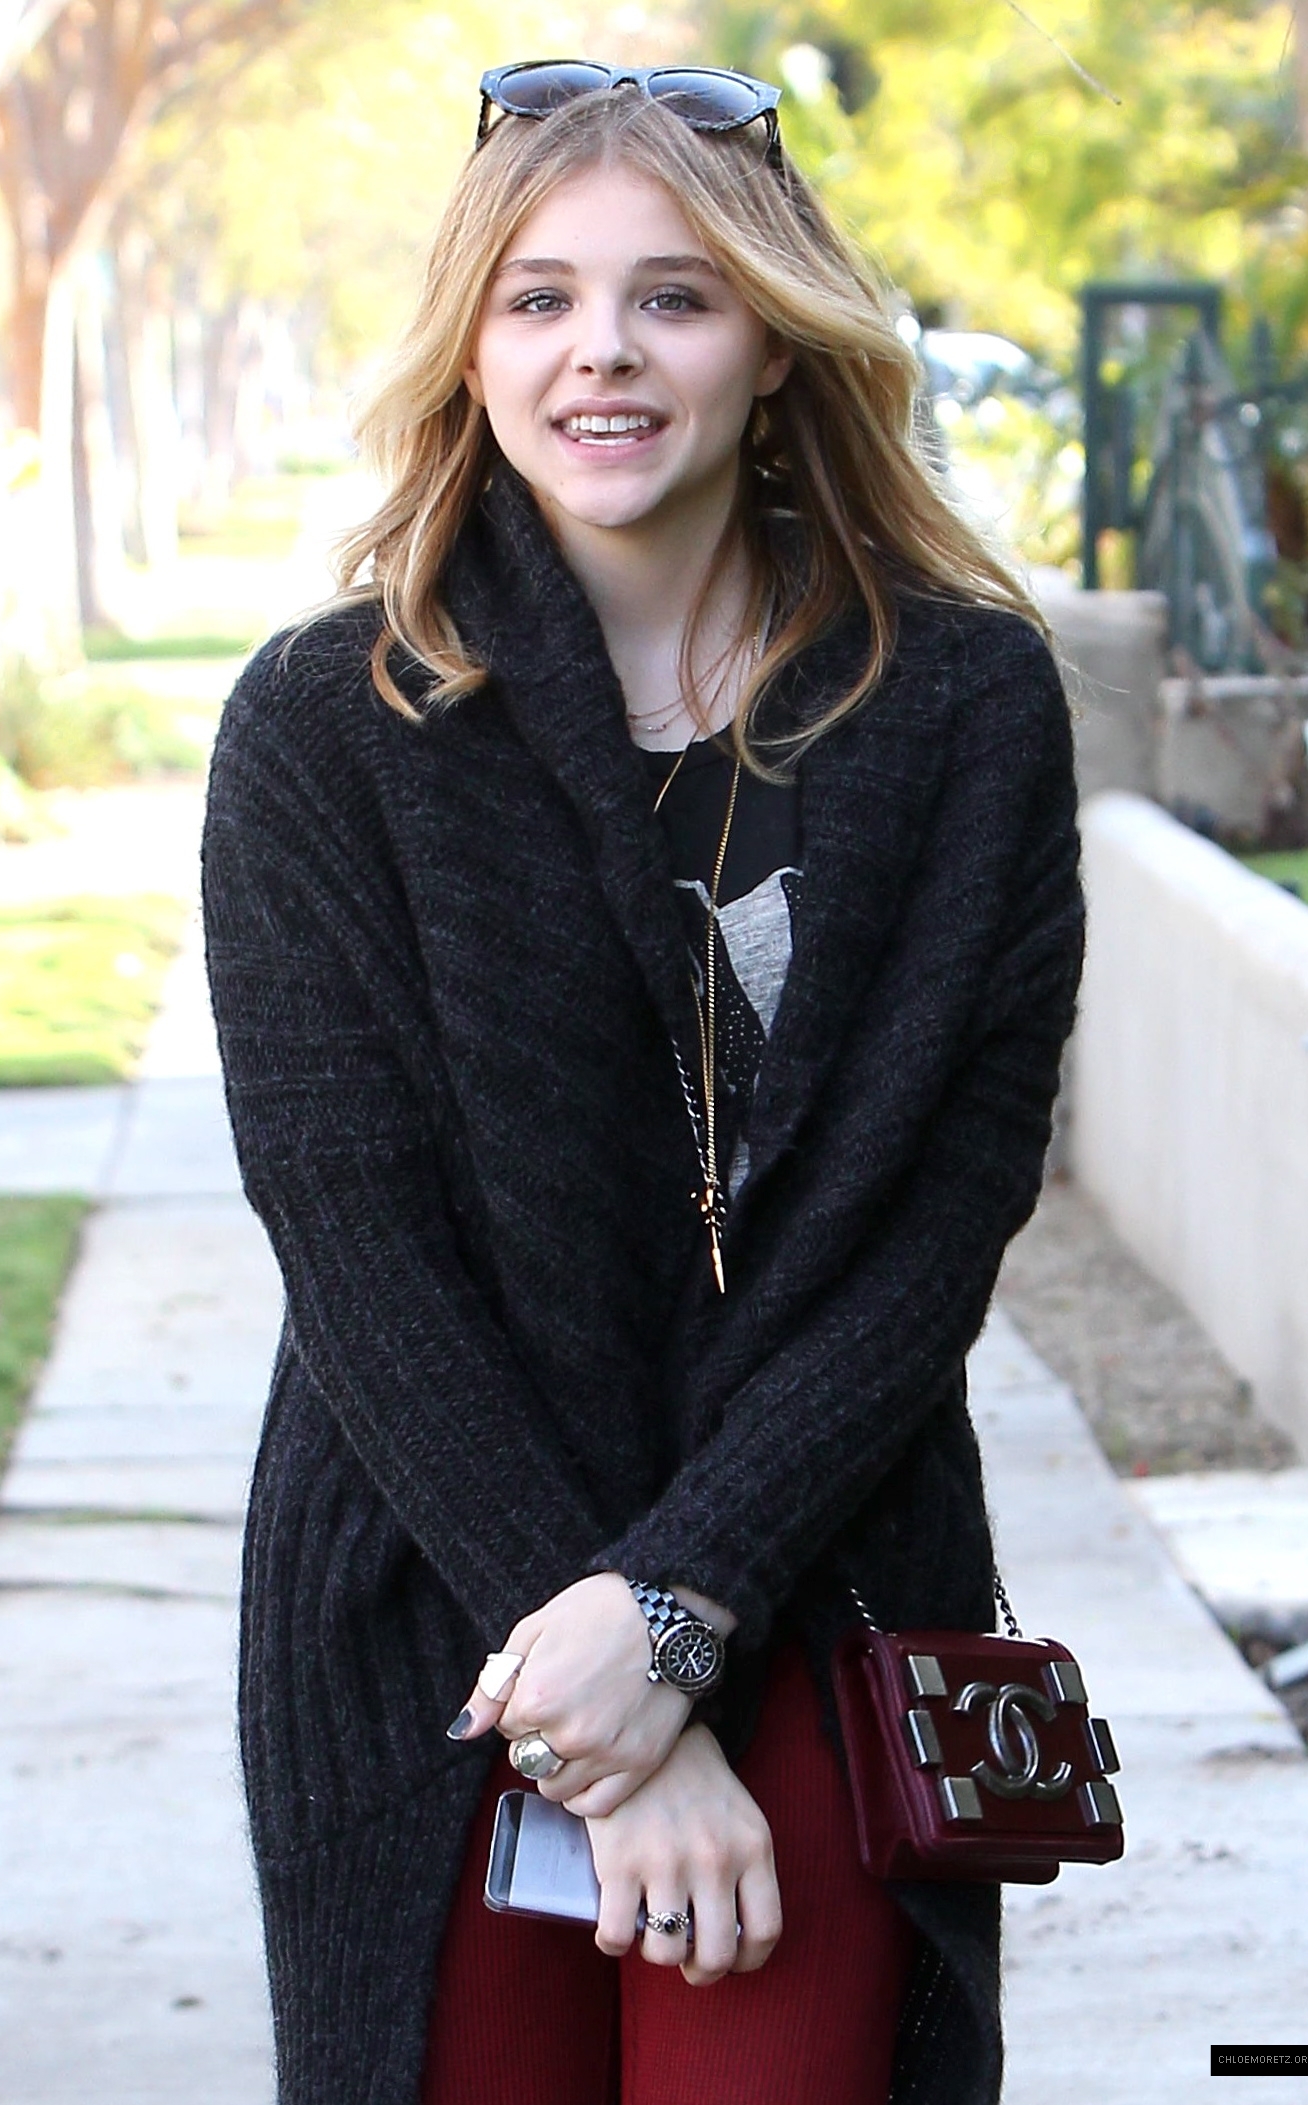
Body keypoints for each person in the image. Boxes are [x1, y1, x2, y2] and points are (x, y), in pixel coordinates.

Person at [203, 60, 1082, 2105]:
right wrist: (604, 1691)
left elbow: (937, 1228)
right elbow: (355, 1248)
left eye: (672, 297)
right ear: (470, 347)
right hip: (436, 1589)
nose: (599, 350)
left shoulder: (961, 706)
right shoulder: (325, 727)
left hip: (819, 1567)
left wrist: (681, 1609)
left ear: (774, 344)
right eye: (538, 298)